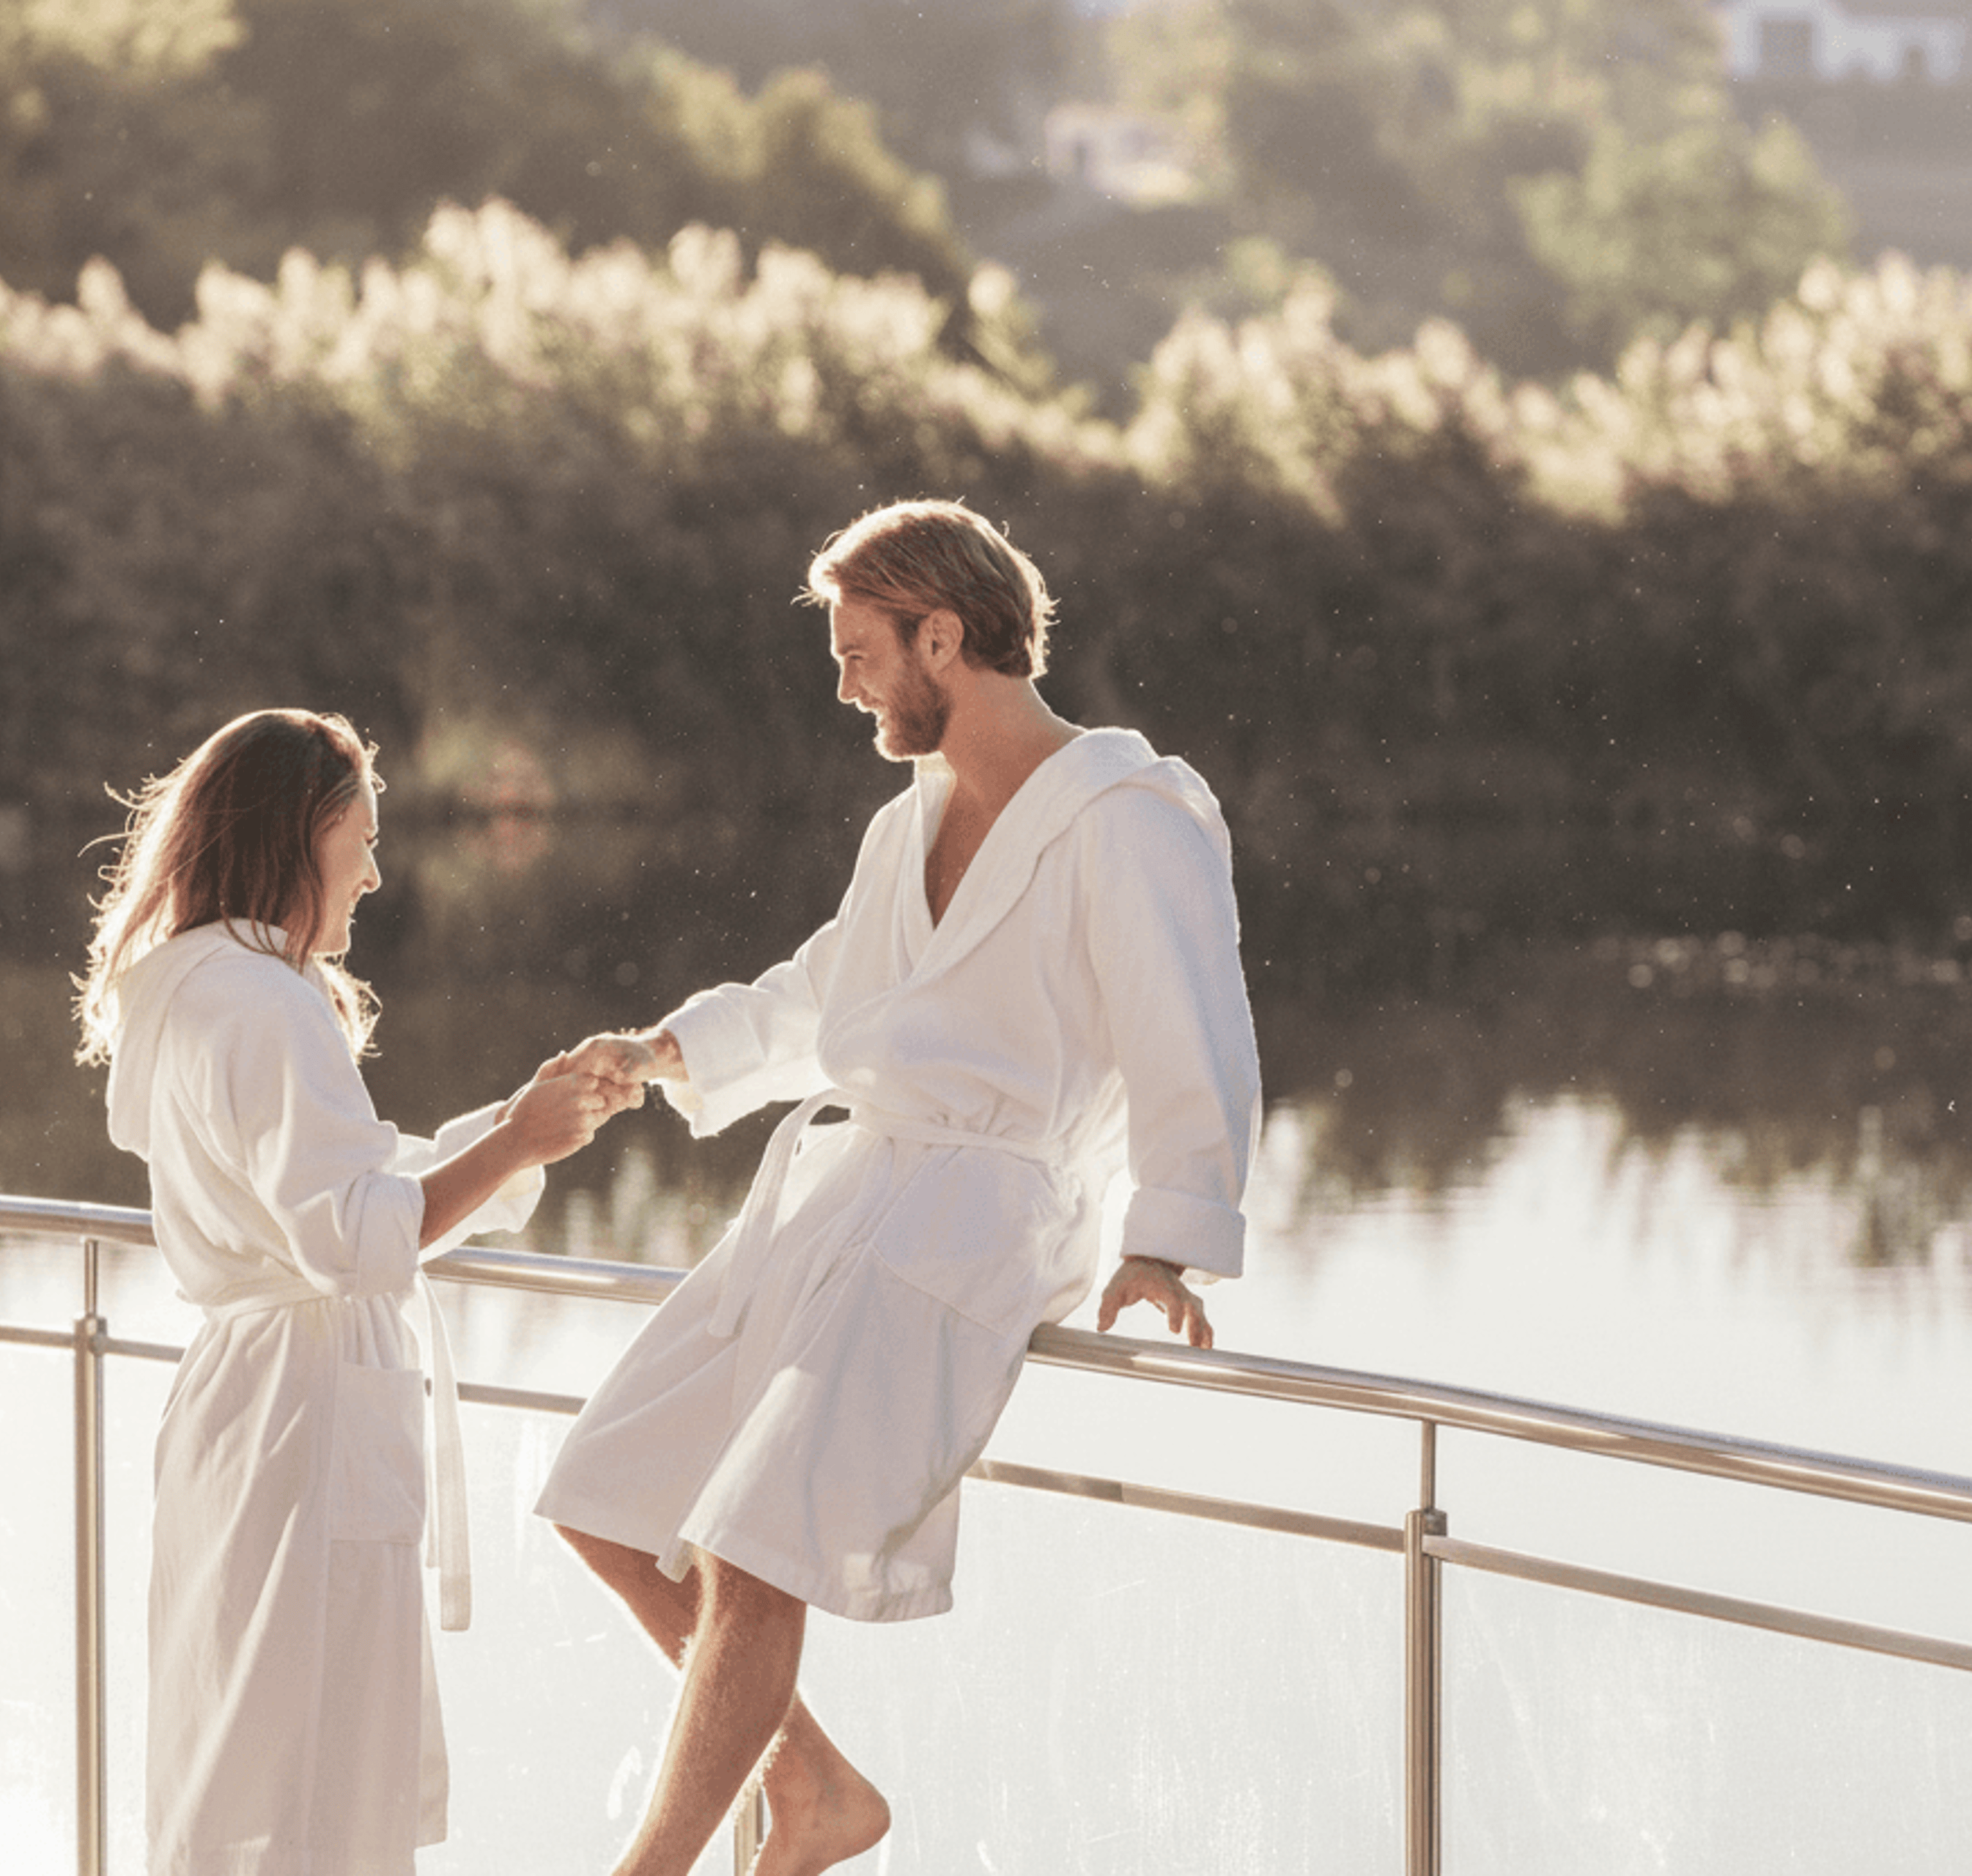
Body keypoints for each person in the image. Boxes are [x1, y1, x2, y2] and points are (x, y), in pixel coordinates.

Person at [534, 498, 1263, 1876]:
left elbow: (1195, 1031)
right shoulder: (908, 824)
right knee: (607, 1492)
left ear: (946, 635)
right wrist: (668, 1048)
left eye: (862, 647)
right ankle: (813, 1794)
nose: (844, 678)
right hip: (844, 1189)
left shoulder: (1128, 816)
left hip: (980, 1212)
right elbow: (826, 991)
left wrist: (1167, 1239)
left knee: (755, 1550)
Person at [74, 707, 636, 1876]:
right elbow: (355, 1235)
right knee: (318, 1758)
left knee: (236, 1740)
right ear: (301, 831)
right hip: (307, 1414)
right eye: (363, 839)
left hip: (244, 1405)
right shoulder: (272, 1004)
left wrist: (511, 1128)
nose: (377, 872)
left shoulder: (182, 987)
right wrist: (518, 1146)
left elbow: (330, 1184)